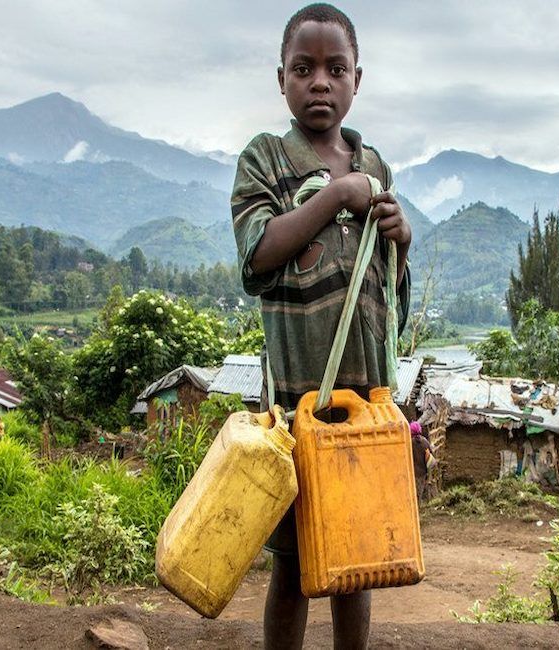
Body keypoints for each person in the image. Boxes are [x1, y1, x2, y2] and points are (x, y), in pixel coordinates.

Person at [230, 5, 411, 647]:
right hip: (294, 405)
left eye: (336, 69)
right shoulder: (265, 160)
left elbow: (390, 296)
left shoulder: (376, 164)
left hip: (364, 403)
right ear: (281, 78)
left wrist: (401, 240)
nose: (320, 83)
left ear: (357, 79)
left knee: (356, 559)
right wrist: (334, 196)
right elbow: (256, 255)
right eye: (303, 69)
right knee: (294, 563)